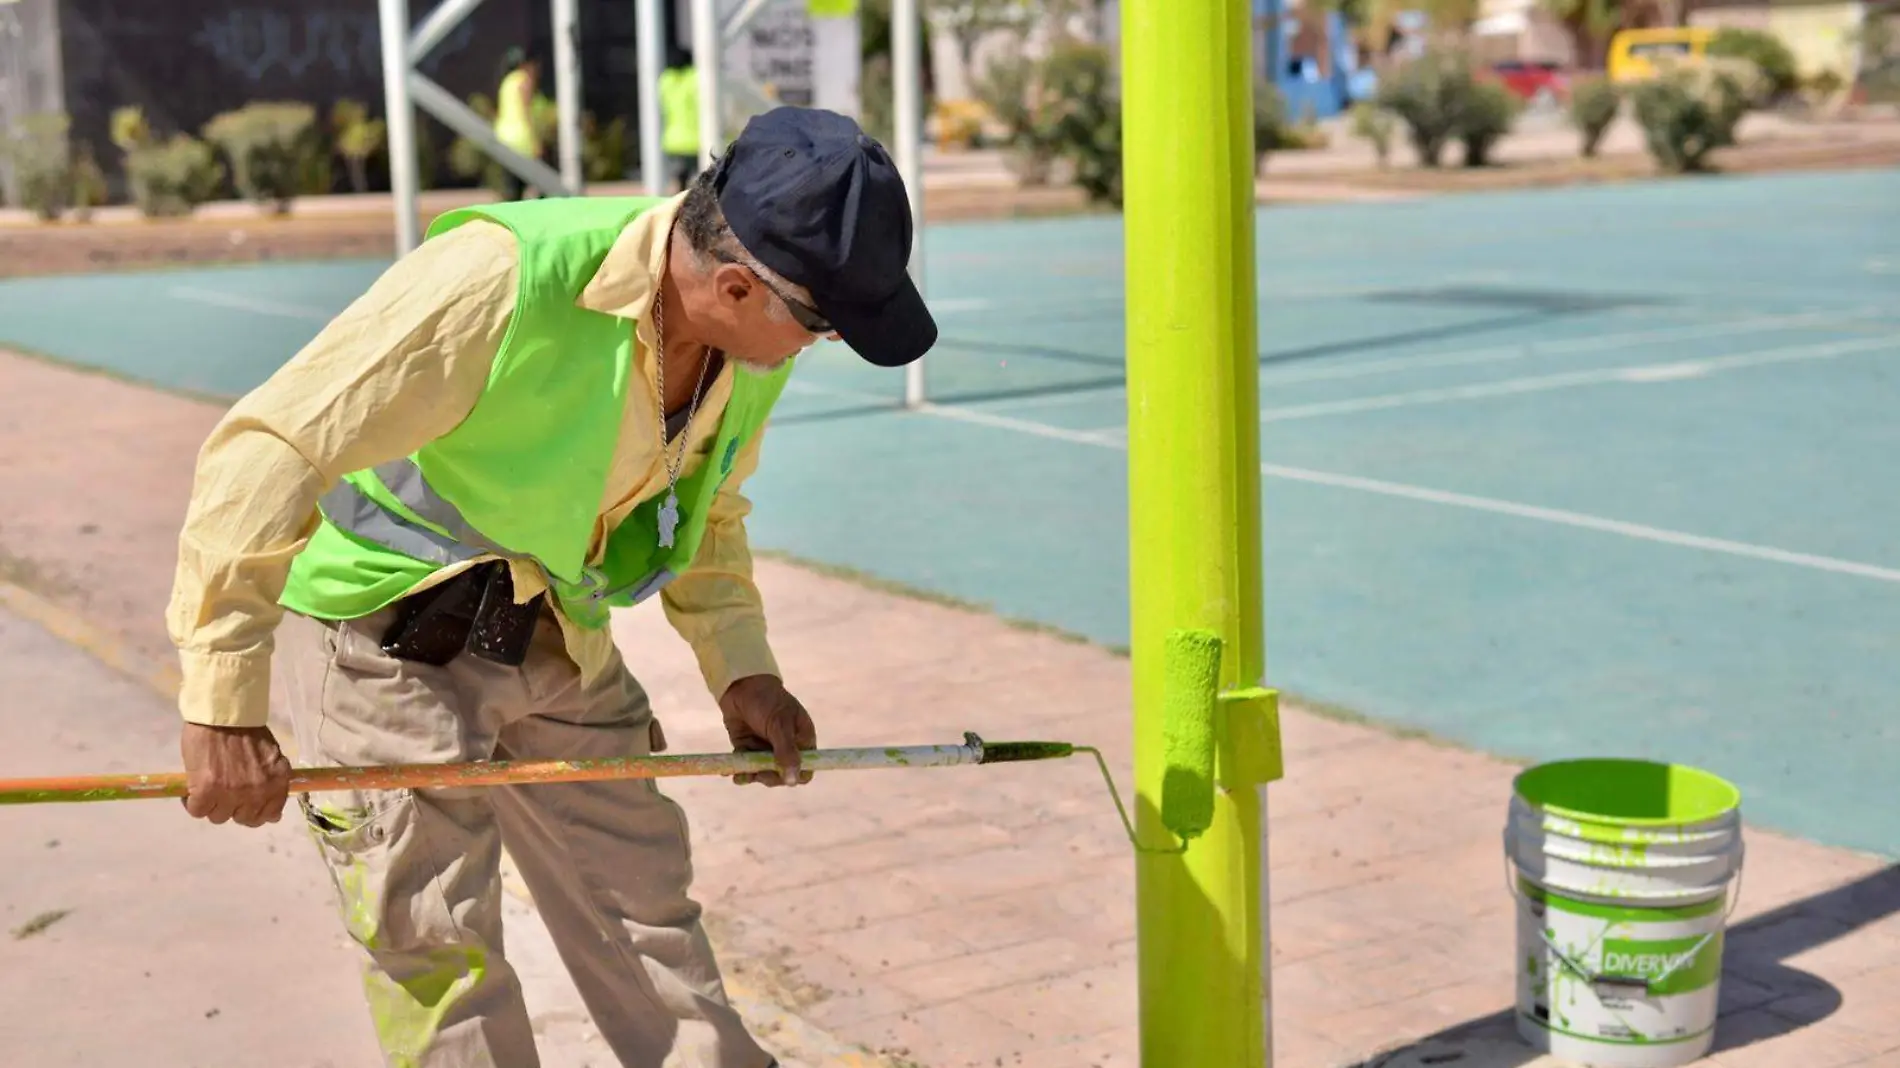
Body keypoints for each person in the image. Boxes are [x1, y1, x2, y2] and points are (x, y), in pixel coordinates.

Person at [165, 106, 936, 1068]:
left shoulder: (746, 349)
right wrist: (222, 701)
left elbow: (703, 508)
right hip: (383, 643)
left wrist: (744, 671)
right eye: (824, 323)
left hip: (554, 631)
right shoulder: (505, 279)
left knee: (643, 909)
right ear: (737, 285)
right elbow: (270, 448)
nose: (822, 345)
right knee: (438, 949)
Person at [494, 47, 542, 200]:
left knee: (511, 186)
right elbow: (526, 110)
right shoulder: (523, 80)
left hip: (503, 135)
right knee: (541, 182)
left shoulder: (506, 82)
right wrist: (535, 141)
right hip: (521, 137)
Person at [658, 50, 701, 193]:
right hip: (695, 138)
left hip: (673, 139)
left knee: (680, 177)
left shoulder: (666, 80)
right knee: (700, 177)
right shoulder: (695, 78)